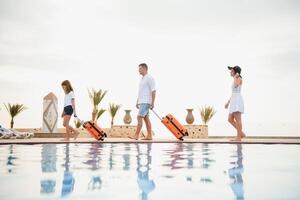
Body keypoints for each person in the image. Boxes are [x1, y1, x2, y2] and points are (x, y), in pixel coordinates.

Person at [129, 63, 156, 140]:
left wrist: (152, 103)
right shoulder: (143, 78)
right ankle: (149, 135)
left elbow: (153, 91)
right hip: (142, 101)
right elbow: (141, 91)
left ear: (144, 68)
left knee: (139, 117)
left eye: (140, 68)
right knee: (146, 118)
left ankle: (136, 135)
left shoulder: (149, 78)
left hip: (146, 102)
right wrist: (137, 101)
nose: (138, 70)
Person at [225, 66, 246, 141]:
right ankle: (241, 134)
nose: (230, 72)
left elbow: (236, 85)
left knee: (238, 119)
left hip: (237, 101)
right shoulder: (235, 78)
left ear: (235, 72)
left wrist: (235, 77)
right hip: (234, 100)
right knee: (230, 119)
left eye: (232, 71)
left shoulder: (238, 78)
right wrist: (228, 102)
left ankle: (238, 137)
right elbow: (234, 92)